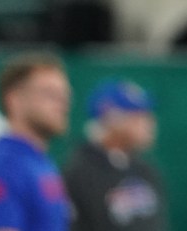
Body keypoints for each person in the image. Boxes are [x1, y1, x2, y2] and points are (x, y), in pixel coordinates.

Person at [0, 52, 71, 231]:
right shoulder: (2, 165)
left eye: (64, 96)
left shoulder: (40, 162)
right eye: (50, 94)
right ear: (14, 100)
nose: (62, 104)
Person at [63, 80, 167, 231]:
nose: (150, 123)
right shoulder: (78, 174)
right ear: (112, 119)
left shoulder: (146, 170)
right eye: (139, 116)